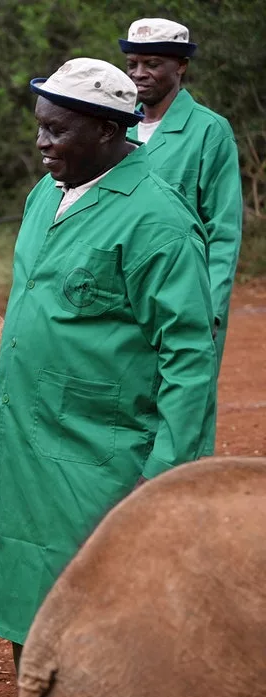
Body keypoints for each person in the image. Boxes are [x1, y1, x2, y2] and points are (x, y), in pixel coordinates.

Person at [0, 59, 217, 670]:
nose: (41, 143)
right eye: (39, 126)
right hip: (28, 441)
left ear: (108, 131)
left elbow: (188, 357)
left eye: (57, 130)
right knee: (32, 603)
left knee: (102, 617)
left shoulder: (156, 220)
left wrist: (164, 478)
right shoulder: (43, 197)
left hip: (99, 455)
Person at [120, 17, 242, 454]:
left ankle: (184, 496)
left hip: (187, 294)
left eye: (152, 63)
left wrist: (209, 304)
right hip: (128, 289)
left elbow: (223, 229)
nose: (139, 73)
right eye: (133, 63)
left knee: (184, 400)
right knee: (128, 396)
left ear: (180, 67)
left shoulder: (210, 130)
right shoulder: (117, 128)